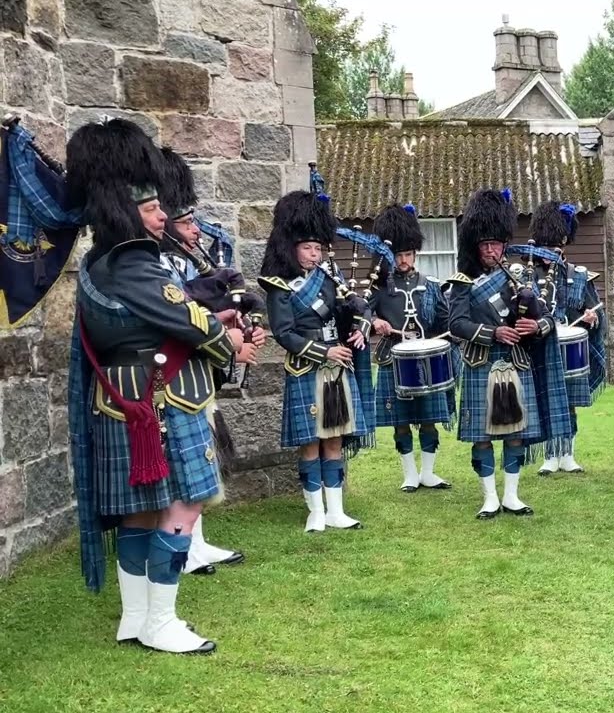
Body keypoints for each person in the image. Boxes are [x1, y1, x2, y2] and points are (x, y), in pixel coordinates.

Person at [67, 118, 243, 653]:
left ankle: (136, 616)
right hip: (163, 400)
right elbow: (189, 319)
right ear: (124, 211)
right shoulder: (133, 263)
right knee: (186, 506)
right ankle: (161, 621)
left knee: (140, 514)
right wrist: (228, 340)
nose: (163, 213)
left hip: (129, 401)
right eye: (150, 208)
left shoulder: (102, 263)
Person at [155, 146, 263, 575]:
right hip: (172, 379)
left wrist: (234, 314)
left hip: (198, 375)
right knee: (185, 467)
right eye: (185, 222)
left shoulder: (183, 259)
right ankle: (183, 550)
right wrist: (230, 338)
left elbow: (202, 311)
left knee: (201, 461)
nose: (195, 230)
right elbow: (182, 321)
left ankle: (195, 545)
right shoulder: (161, 264)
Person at [447, 189, 572, 518]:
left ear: (504, 243)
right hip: (481, 363)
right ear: (476, 246)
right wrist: (492, 332)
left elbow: (548, 316)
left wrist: (536, 327)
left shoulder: (519, 278)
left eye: (496, 244)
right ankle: (489, 497)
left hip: (516, 362)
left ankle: (512, 495)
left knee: (516, 433)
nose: (490, 251)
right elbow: (456, 323)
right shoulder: (462, 281)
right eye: (485, 245)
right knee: (483, 436)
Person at [259, 191, 371, 532]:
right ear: (292, 247)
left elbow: (358, 307)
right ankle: (315, 512)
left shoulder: (329, 278)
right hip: (308, 367)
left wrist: (361, 328)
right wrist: (324, 352)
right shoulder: (279, 286)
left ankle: (335, 510)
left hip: (336, 370)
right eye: (308, 248)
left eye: (318, 248)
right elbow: (284, 333)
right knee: (310, 442)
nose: (314, 254)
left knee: (334, 437)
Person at [367, 203, 454, 493]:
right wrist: (375, 320)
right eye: (398, 255)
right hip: (393, 358)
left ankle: (428, 473)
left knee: (429, 419)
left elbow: (445, 322)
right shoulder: (378, 288)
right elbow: (361, 314)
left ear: (415, 253)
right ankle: (409, 475)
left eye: (407, 254)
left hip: (426, 361)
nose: (403, 260)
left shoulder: (430, 286)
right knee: (400, 421)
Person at [526, 201, 606, 475]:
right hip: (539, 349)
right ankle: (550, 455)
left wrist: (591, 317)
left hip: (570, 351)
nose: (550, 255)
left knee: (569, 403)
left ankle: (568, 454)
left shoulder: (579, 276)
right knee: (545, 402)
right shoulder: (525, 277)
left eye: (555, 249)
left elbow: (595, 310)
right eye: (546, 249)